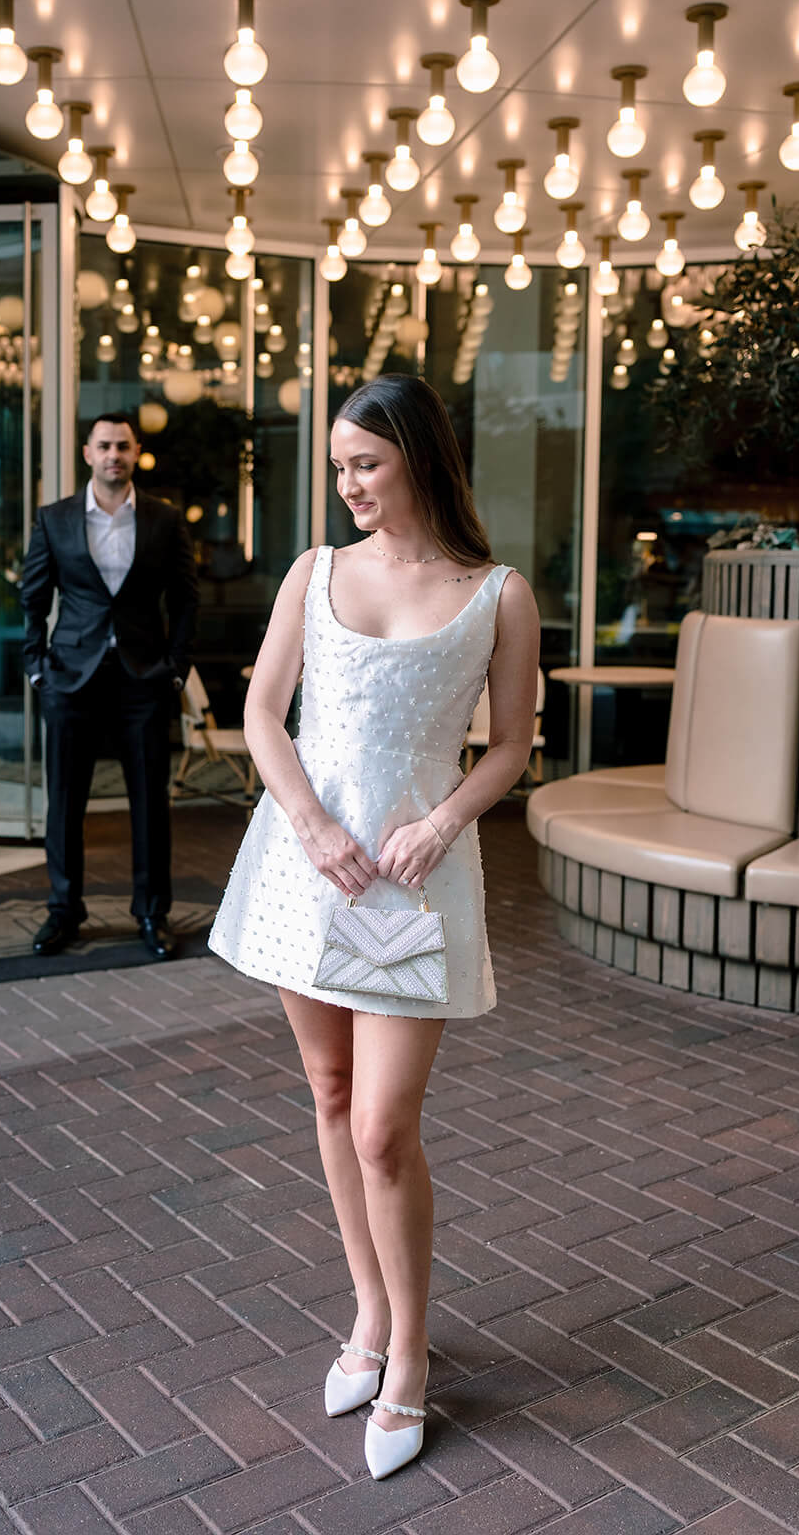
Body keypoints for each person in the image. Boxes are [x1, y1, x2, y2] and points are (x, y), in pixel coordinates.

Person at [209, 375, 540, 1479]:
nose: (347, 484)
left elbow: (509, 745)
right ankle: (367, 1309)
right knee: (334, 1094)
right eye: (339, 466)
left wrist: (445, 821)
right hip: (311, 868)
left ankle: (409, 1357)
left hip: (412, 878)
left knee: (383, 1127)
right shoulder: (315, 572)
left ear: (417, 457)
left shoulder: (498, 592)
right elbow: (261, 712)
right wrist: (308, 823)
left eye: (366, 463)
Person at [22, 413, 198, 961]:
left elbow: (187, 599)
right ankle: (63, 912)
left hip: (142, 680)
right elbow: (31, 597)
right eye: (104, 446)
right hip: (70, 678)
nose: (113, 454)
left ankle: (151, 913)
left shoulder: (165, 520)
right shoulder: (54, 520)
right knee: (65, 802)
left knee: (149, 803)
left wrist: (175, 666)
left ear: (136, 451)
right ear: (87, 453)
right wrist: (35, 666)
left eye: (123, 445)